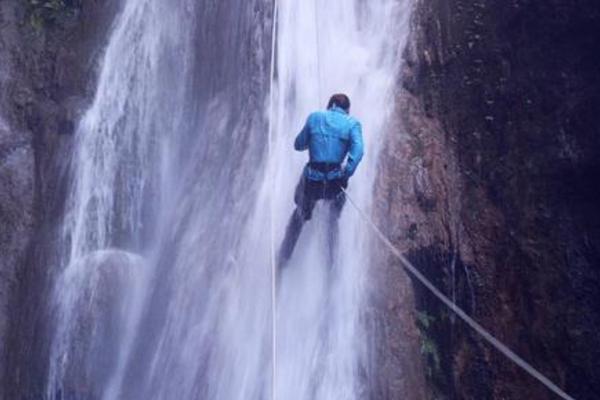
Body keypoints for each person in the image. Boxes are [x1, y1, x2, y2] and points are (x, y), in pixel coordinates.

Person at [278, 93, 364, 267]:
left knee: (300, 213)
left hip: (312, 180)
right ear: (347, 109)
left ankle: (283, 257)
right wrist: (345, 174)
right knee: (333, 219)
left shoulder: (314, 117)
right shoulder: (352, 124)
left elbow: (298, 144)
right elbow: (359, 151)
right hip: (334, 182)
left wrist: (313, 140)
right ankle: (332, 264)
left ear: (330, 105)